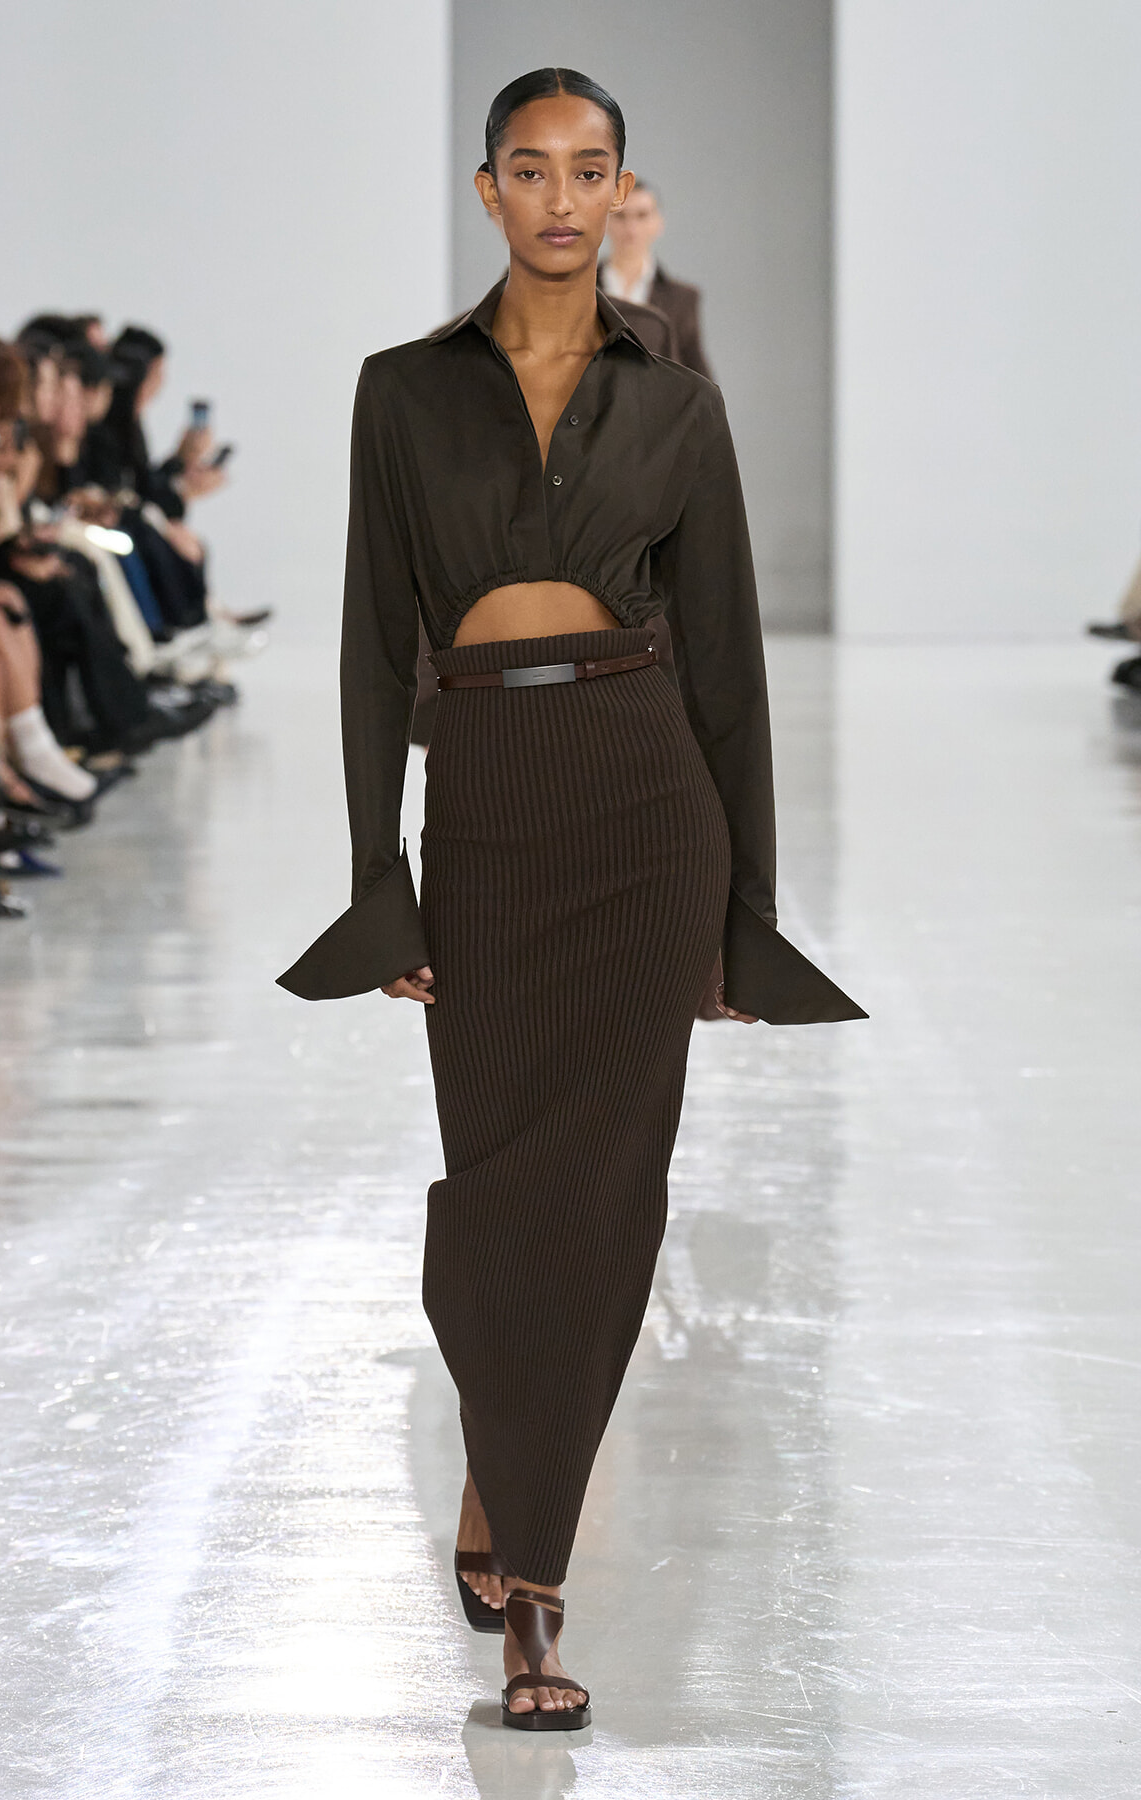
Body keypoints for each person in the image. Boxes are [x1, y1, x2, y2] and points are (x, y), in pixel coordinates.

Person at [278, 67, 863, 1730]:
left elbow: (734, 664)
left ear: (621, 192)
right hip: (487, 810)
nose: (558, 197)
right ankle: (501, 1461)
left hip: (642, 805)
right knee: (498, 1188)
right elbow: (365, 648)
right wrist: (374, 882)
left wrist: (747, 909)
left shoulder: (678, 401)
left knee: (606, 1203)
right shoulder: (403, 396)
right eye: (528, 169)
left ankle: (534, 1578)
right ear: (487, 194)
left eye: (587, 169)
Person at [600, 178, 713, 379]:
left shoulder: (682, 299)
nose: (631, 228)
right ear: (606, 222)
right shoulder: (580, 290)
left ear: (658, 223)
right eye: (621, 216)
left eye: (642, 216)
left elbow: (697, 377)